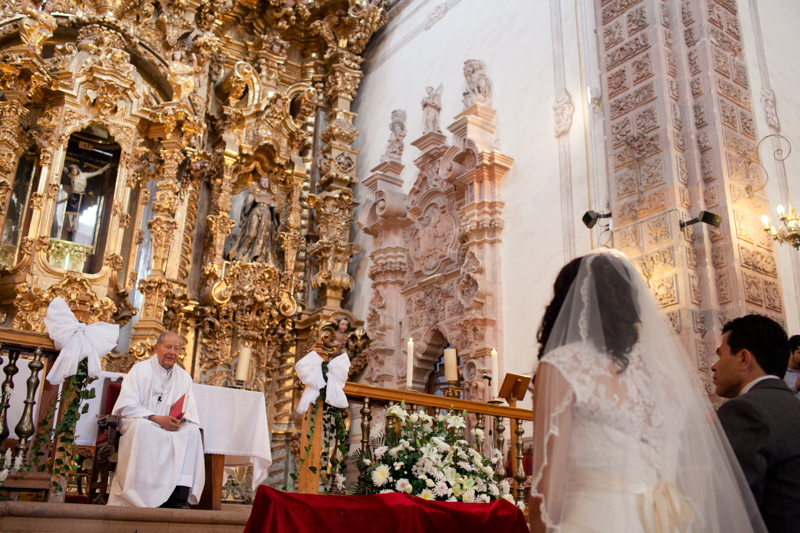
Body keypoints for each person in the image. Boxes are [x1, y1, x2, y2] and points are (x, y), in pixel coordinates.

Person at [530, 250, 765, 533]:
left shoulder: (562, 366)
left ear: (566, 305)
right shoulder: (666, 378)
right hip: (660, 522)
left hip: (594, 520)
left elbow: (549, 491)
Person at [712, 316, 800, 532]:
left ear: (743, 359)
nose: (714, 366)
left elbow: (732, 510)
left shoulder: (745, 411)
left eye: (720, 354)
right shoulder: (791, 405)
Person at [108, 332, 205, 508]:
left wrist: (177, 421)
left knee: (192, 433)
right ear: (156, 348)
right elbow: (127, 406)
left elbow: (188, 410)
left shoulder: (184, 377)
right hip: (142, 420)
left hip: (169, 425)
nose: (172, 352)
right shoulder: (139, 370)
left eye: (176, 349)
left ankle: (178, 497)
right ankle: (140, 493)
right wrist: (156, 418)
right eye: (168, 347)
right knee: (142, 428)